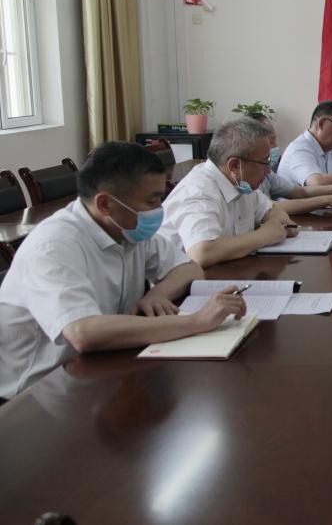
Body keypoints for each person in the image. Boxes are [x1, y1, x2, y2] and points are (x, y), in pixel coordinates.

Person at [0, 142, 247, 402]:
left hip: (99, 370)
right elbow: (83, 333)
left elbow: (189, 268)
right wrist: (198, 321)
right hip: (33, 395)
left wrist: (158, 294)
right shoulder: (54, 246)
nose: (159, 209)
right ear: (106, 204)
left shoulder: (125, 227)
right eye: (151, 200)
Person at [159, 117, 297, 268]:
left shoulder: (241, 184)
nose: (268, 170)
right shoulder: (198, 192)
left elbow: (273, 211)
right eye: (265, 163)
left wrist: (277, 225)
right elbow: (203, 253)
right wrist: (263, 236)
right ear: (235, 166)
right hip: (178, 281)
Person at [247, 112, 332, 215]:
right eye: (271, 141)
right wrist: (328, 199)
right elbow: (271, 207)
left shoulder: (267, 173)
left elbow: (299, 192)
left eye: (275, 139)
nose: (275, 146)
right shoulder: (245, 179)